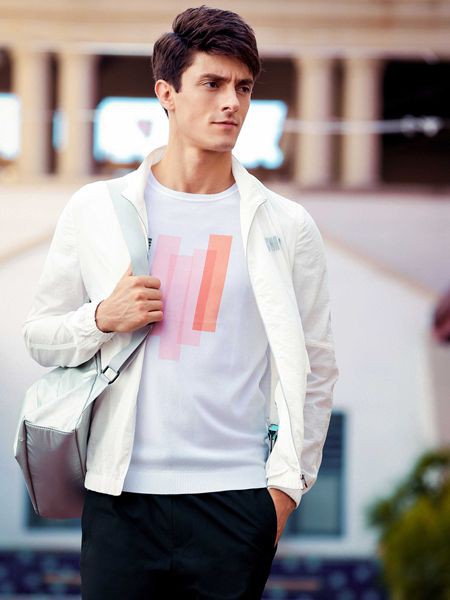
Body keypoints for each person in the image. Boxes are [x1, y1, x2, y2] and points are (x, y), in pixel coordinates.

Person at [22, 5, 339, 599]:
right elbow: (39, 336)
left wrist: (283, 493)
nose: (232, 103)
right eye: (212, 84)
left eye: (243, 87)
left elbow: (316, 365)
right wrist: (101, 318)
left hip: (236, 502)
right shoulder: (98, 209)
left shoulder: (286, 225)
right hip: (122, 500)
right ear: (166, 93)